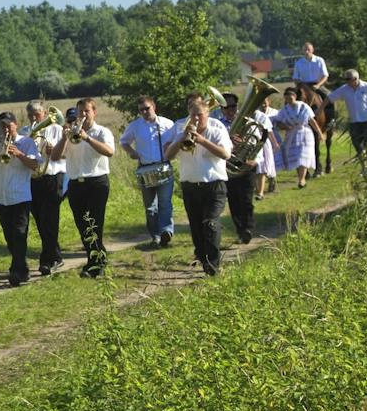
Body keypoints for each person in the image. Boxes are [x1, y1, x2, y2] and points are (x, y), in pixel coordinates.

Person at [163, 94, 234, 276]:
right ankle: (203, 258)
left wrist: (202, 141)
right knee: (196, 227)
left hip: (214, 185)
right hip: (190, 186)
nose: (196, 119)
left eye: (200, 115)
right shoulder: (182, 132)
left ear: (208, 114)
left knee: (210, 223)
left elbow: (225, 154)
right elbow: (168, 156)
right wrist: (181, 139)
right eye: (193, 115)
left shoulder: (217, 131)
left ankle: (213, 265)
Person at [50, 98, 115, 278]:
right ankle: (95, 259)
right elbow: (55, 157)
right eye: (80, 112)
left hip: (97, 182)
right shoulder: (71, 134)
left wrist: (87, 138)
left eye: (86, 111)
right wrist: (64, 137)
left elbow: (109, 152)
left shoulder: (102, 131)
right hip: (75, 184)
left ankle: (96, 265)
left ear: (94, 112)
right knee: (82, 225)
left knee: (95, 223)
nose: (83, 115)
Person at [0, 112, 38, 287]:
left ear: (15, 124)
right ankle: (21, 267)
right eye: (2, 126)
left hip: (20, 195)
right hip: (0, 195)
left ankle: (16, 271)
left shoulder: (27, 142)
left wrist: (19, 154)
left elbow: (36, 166)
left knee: (19, 234)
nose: (6, 129)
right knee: (9, 236)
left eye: (8, 125)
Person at [119, 96, 175, 248]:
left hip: (164, 166)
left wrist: (172, 145)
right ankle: (155, 236)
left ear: (154, 107)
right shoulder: (135, 126)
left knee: (165, 203)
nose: (144, 112)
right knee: (150, 207)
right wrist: (131, 152)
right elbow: (123, 141)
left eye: (147, 108)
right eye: (141, 110)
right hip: (145, 168)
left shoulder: (167, 123)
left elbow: (177, 139)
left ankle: (166, 232)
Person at [211, 91, 261, 245]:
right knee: (233, 200)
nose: (230, 110)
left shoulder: (248, 122)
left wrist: (254, 159)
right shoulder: (217, 125)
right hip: (227, 167)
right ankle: (240, 231)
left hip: (246, 164)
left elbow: (258, 141)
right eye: (226, 107)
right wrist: (228, 139)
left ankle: (248, 229)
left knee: (246, 199)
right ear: (221, 108)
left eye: (233, 106)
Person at [24, 100, 65, 275]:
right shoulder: (25, 131)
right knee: (41, 220)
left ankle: (47, 260)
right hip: (33, 179)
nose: (34, 118)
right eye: (31, 115)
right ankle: (55, 255)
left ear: (45, 114)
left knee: (50, 218)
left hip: (52, 177)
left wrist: (53, 150)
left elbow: (64, 155)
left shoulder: (57, 129)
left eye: (37, 115)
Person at [327, 68, 367, 162]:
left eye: (348, 79)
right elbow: (329, 98)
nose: (346, 82)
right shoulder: (344, 89)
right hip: (354, 121)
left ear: (355, 79)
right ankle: (365, 167)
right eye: (345, 79)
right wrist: (319, 110)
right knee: (358, 146)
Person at [272, 86, 320, 188]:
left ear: (294, 96)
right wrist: (285, 126)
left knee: (303, 155)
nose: (288, 99)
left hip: (305, 133)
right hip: (292, 135)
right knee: (297, 157)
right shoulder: (284, 110)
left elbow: (312, 120)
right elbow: (278, 122)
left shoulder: (304, 107)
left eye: (290, 97)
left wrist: (319, 133)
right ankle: (301, 178)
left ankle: (301, 180)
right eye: (286, 97)